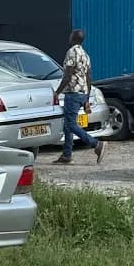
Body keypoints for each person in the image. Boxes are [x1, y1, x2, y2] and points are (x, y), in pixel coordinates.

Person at [54, 30, 106, 165]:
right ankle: (67, 155)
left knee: (71, 124)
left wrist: (57, 92)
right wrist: (87, 97)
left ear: (73, 38)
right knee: (68, 125)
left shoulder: (72, 52)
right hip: (83, 92)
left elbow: (68, 75)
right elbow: (89, 77)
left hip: (73, 93)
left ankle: (96, 144)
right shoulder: (86, 55)